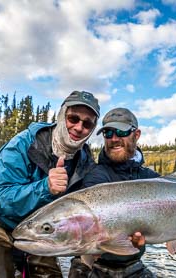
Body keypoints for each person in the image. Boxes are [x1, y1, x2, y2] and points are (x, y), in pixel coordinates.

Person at [0, 91, 100, 278]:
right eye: (73, 118)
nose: (79, 127)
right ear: (62, 115)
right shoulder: (23, 143)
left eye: (87, 124)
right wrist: (45, 188)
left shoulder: (85, 161)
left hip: (42, 231)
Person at [69, 107, 160, 278]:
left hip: (132, 264)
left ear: (137, 134)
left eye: (121, 132)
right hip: (92, 264)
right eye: (108, 133)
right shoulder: (95, 177)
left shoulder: (152, 178)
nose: (114, 139)